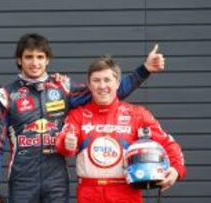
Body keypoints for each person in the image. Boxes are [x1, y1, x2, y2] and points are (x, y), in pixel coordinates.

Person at [0, 33, 166, 203]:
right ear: (19, 60)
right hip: (22, 181)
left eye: (40, 57)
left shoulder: (62, 87)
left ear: (47, 60)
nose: (34, 62)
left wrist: (144, 70)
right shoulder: (5, 95)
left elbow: (106, 92)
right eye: (29, 57)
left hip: (56, 181)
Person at [55, 56, 186, 203]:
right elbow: (62, 144)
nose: (102, 86)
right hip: (88, 193)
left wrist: (176, 169)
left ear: (117, 83)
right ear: (89, 85)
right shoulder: (77, 115)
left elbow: (167, 143)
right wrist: (67, 144)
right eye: (96, 80)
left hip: (126, 193)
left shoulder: (137, 114)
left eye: (107, 80)